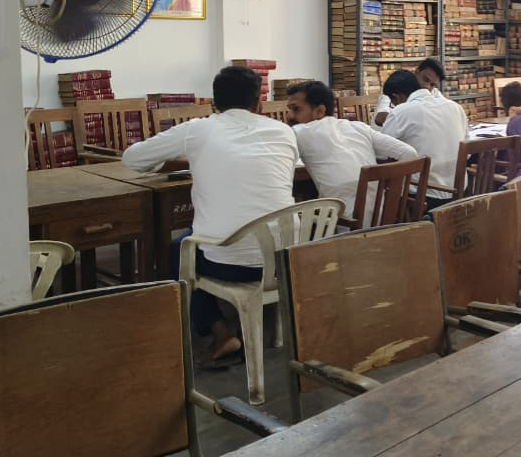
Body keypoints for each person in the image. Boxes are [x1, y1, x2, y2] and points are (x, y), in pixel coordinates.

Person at [122, 66, 297, 367]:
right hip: (287, 258)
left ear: (214, 104)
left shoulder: (199, 129)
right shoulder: (284, 131)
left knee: (180, 249)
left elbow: (132, 158)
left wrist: (182, 157)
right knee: (189, 243)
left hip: (234, 267)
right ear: (259, 103)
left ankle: (219, 333)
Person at [286, 80, 417, 225]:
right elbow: (409, 153)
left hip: (344, 226)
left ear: (319, 111)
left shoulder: (300, 132)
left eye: (296, 109)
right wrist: (392, 192)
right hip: (384, 219)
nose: (289, 115)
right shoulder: (359, 127)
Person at [380, 69, 468, 208]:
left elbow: (382, 154)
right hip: (459, 193)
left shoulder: (401, 111)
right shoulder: (456, 107)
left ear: (396, 97)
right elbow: (466, 150)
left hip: (420, 199)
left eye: (392, 102)